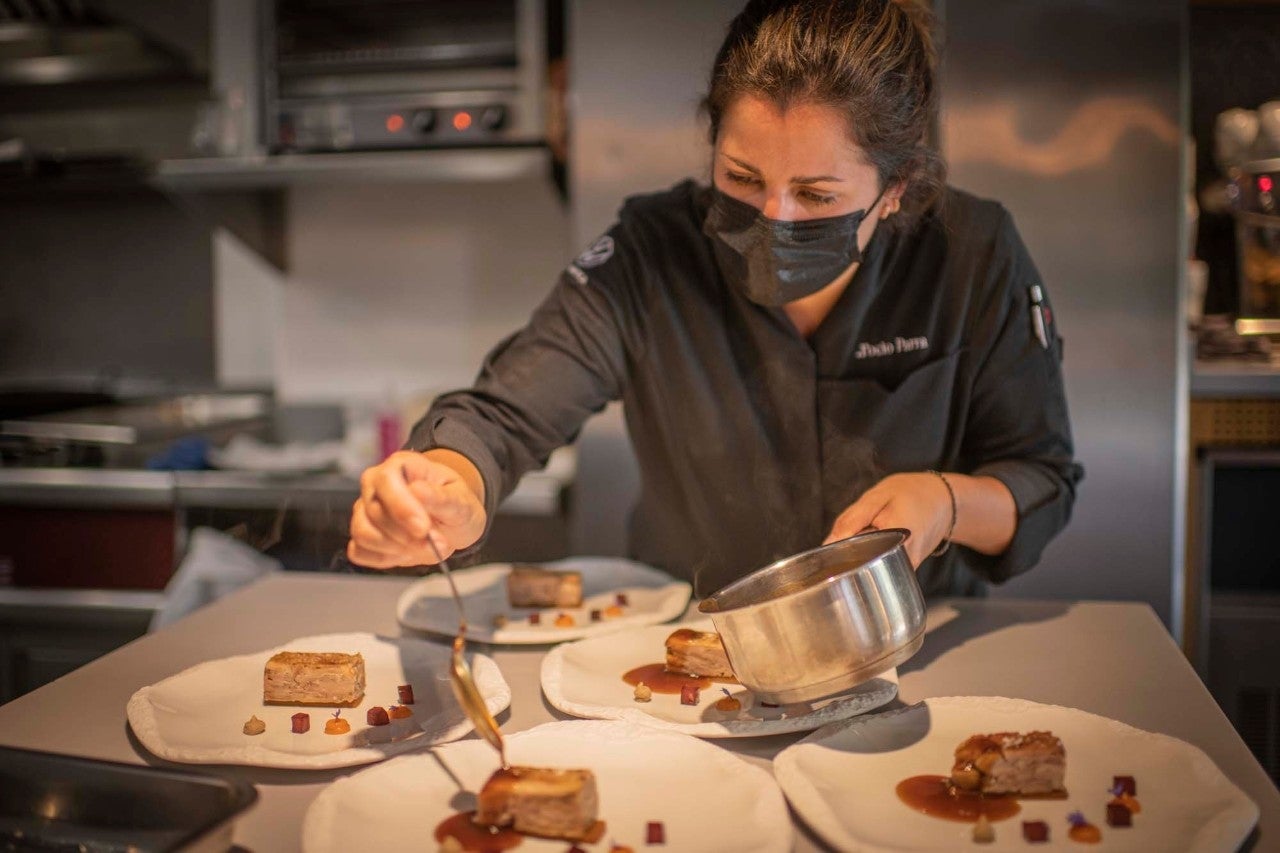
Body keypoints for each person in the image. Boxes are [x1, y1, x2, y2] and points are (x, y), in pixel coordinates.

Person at [347, 0, 1083, 599]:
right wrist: (447, 482)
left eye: (818, 194)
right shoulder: (651, 252)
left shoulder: (971, 253)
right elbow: (507, 413)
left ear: (894, 192)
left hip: (915, 647)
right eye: (741, 178)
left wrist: (943, 502)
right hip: (687, 657)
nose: (774, 217)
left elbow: (1039, 476)